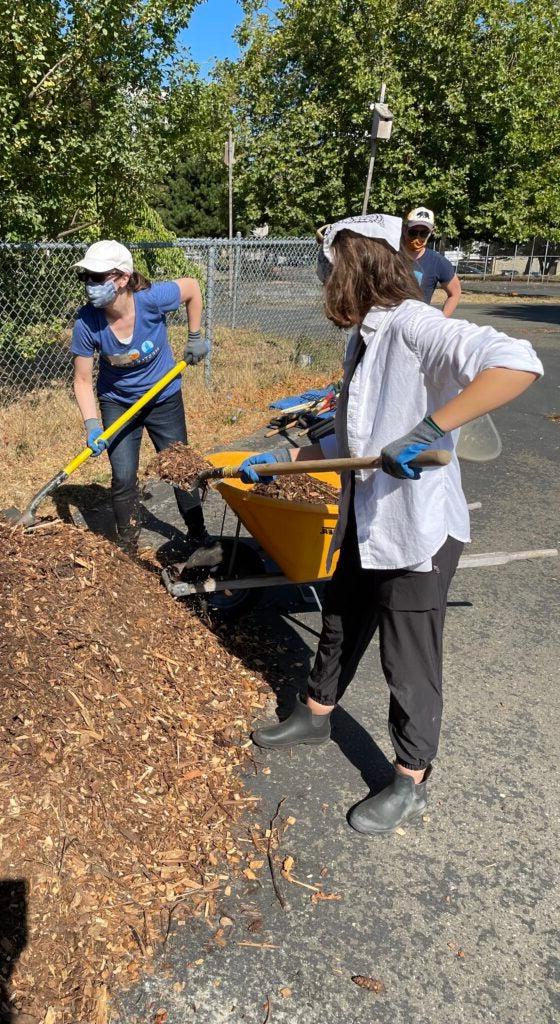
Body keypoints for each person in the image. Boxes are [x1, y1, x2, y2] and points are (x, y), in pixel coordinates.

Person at [241, 214, 542, 836]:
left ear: (351, 267)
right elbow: (356, 437)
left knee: (408, 661)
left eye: (327, 270)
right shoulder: (365, 337)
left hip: (417, 531)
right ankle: (317, 714)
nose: (323, 282)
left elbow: (517, 360)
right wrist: (282, 462)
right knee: (341, 618)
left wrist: (431, 429)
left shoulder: (414, 325)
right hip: (368, 518)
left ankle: (410, 778)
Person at [70, 239, 210, 551]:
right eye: (86, 278)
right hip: (117, 402)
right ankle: (127, 550)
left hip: (163, 397)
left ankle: (200, 538)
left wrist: (196, 336)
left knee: (181, 468)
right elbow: (81, 380)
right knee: (122, 476)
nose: (90, 285)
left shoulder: (151, 299)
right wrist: (92, 425)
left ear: (122, 278)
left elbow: (191, 287)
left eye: (97, 277)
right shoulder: (86, 322)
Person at [403, 206, 462, 316]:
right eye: (413, 232)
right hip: (388, 325)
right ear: (405, 229)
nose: (417, 237)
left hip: (417, 326)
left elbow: (455, 293)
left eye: (423, 233)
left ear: (431, 233)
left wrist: (441, 320)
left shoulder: (437, 262)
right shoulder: (390, 256)